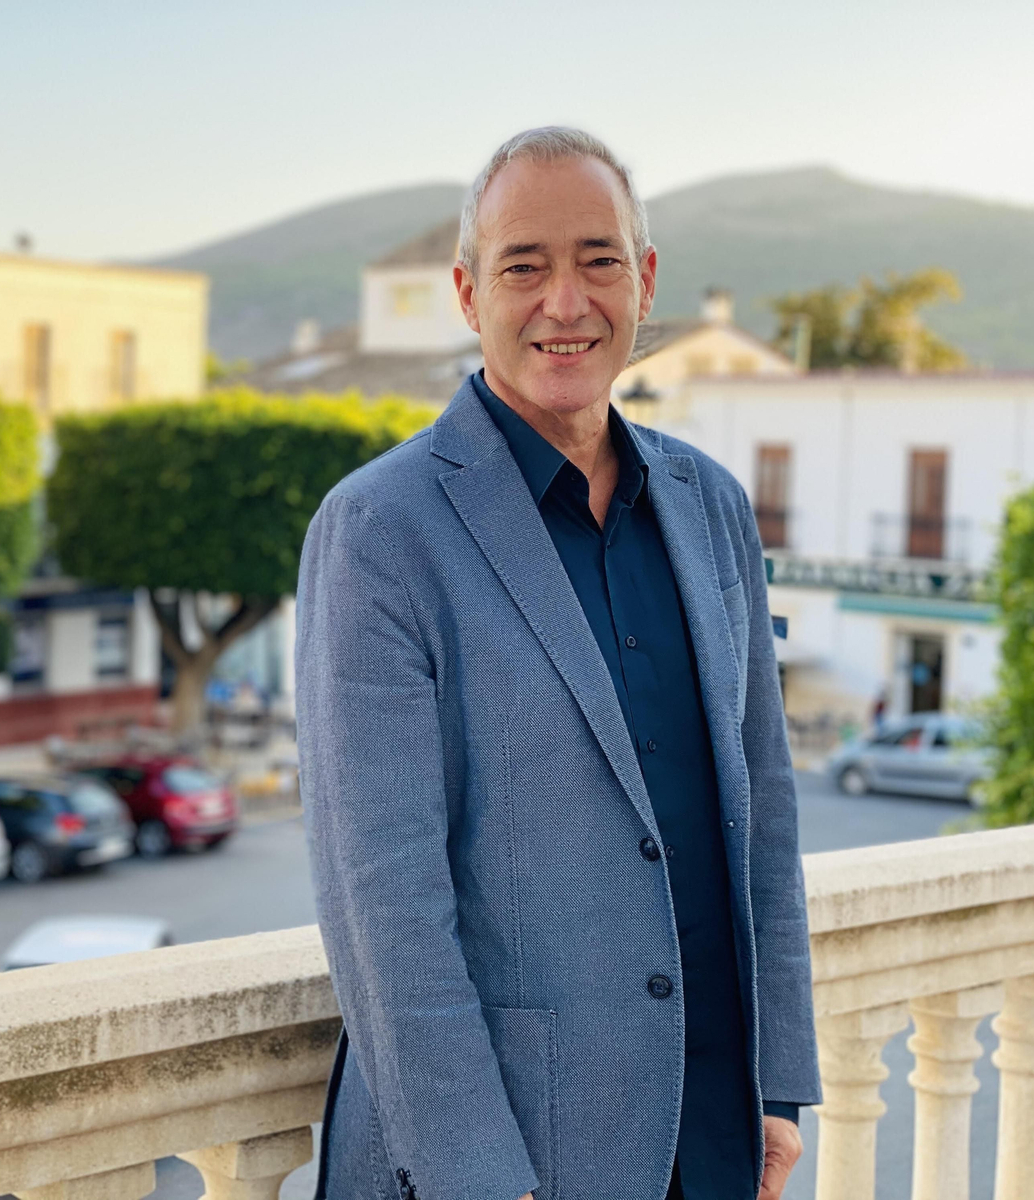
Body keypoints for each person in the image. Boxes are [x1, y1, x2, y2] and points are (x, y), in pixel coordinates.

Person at [296, 127, 820, 1200]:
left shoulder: (711, 505)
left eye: (598, 259)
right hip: (509, 1159)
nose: (565, 302)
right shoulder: (379, 530)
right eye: (523, 266)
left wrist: (776, 1084)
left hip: (712, 1136)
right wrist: (481, 1179)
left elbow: (762, 813)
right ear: (465, 290)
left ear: (646, 278)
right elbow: (383, 900)